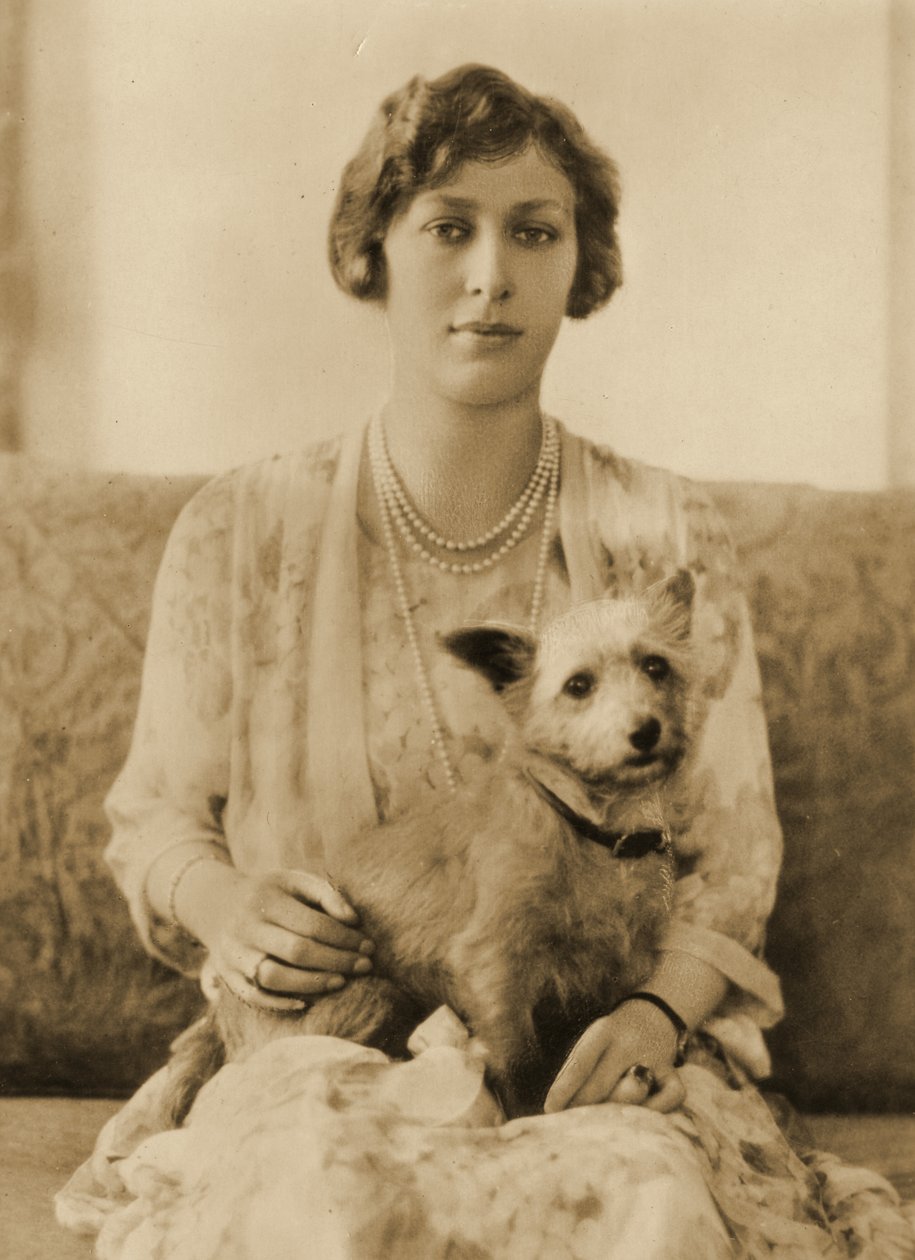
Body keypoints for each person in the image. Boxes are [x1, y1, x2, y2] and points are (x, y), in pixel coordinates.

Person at [57, 65, 914, 1258]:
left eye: (536, 232)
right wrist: (226, 903)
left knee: (639, 1203)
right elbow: (155, 815)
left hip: (600, 1039)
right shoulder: (240, 531)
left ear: (581, 263)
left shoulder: (668, 534)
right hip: (328, 1045)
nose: (491, 275)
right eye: (448, 227)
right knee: (326, 1200)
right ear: (374, 249)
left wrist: (655, 1015)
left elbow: (732, 856)